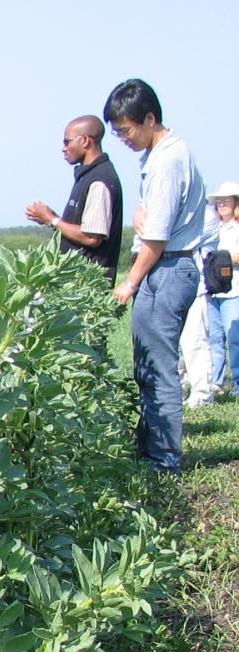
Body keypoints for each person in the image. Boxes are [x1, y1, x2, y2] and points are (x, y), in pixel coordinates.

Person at [104, 77, 207, 472]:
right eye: (117, 132)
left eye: (127, 130)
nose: (124, 139)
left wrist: (129, 284)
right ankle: (151, 449)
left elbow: (156, 238)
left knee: (158, 368)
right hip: (165, 266)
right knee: (146, 365)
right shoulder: (159, 155)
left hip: (168, 268)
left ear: (149, 119)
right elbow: (148, 224)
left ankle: (163, 460)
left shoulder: (167, 161)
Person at [24, 115, 123, 282]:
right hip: (77, 285)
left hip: (87, 286)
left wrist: (52, 220)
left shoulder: (99, 180)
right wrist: (51, 218)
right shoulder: (87, 175)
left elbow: (92, 237)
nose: (63, 148)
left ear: (85, 141)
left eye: (67, 142)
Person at [206, 182, 239, 395]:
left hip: (234, 289)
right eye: (219, 201)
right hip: (212, 290)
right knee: (214, 338)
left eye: (227, 199)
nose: (222, 203)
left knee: (234, 338)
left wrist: (226, 260)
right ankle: (216, 381)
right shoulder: (212, 228)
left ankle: (237, 382)